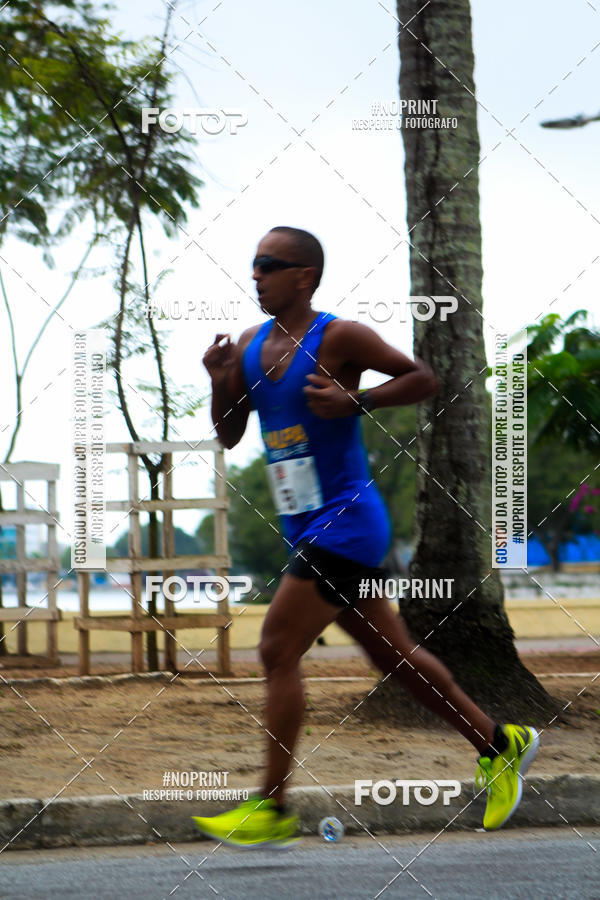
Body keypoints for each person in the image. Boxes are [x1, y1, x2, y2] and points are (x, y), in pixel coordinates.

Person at [193, 225, 538, 848]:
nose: (257, 275)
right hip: (306, 525)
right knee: (394, 658)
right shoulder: (247, 347)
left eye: (269, 265)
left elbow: (422, 379)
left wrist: (358, 401)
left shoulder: (340, 337)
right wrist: (219, 380)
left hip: (346, 522)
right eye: (253, 265)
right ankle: (499, 742)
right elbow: (229, 435)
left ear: (305, 276)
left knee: (275, 649)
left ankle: (271, 808)